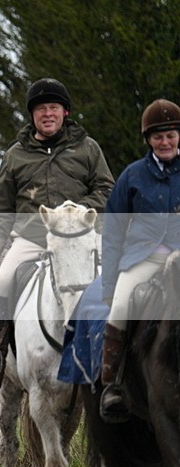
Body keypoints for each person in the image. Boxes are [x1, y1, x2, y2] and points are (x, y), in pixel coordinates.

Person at [0, 78, 115, 388]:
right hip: (32, 238)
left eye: (54, 107)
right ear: (32, 115)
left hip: (79, 237)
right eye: (41, 109)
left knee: (114, 282)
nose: (48, 113)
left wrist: (77, 212)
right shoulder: (15, 155)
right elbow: (1, 208)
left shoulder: (88, 148)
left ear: (65, 112)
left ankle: (117, 359)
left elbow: (106, 189)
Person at [99, 98, 180, 423]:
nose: (165, 142)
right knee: (120, 306)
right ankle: (112, 384)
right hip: (143, 256)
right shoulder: (133, 175)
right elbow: (113, 229)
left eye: (171, 135)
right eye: (158, 136)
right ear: (148, 139)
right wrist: (109, 283)